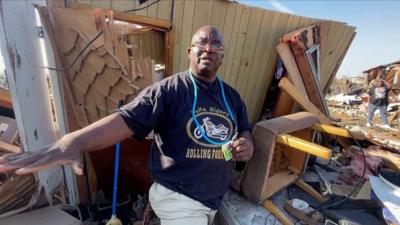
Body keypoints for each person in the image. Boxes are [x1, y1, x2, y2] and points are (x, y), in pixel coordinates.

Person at [0, 26, 254, 225]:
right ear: (189, 52)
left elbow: (245, 128)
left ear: (222, 56)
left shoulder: (231, 97)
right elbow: (125, 119)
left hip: (212, 198)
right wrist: (75, 141)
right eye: (201, 42)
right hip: (180, 198)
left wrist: (247, 144)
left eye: (216, 44)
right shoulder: (168, 91)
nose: (208, 48)